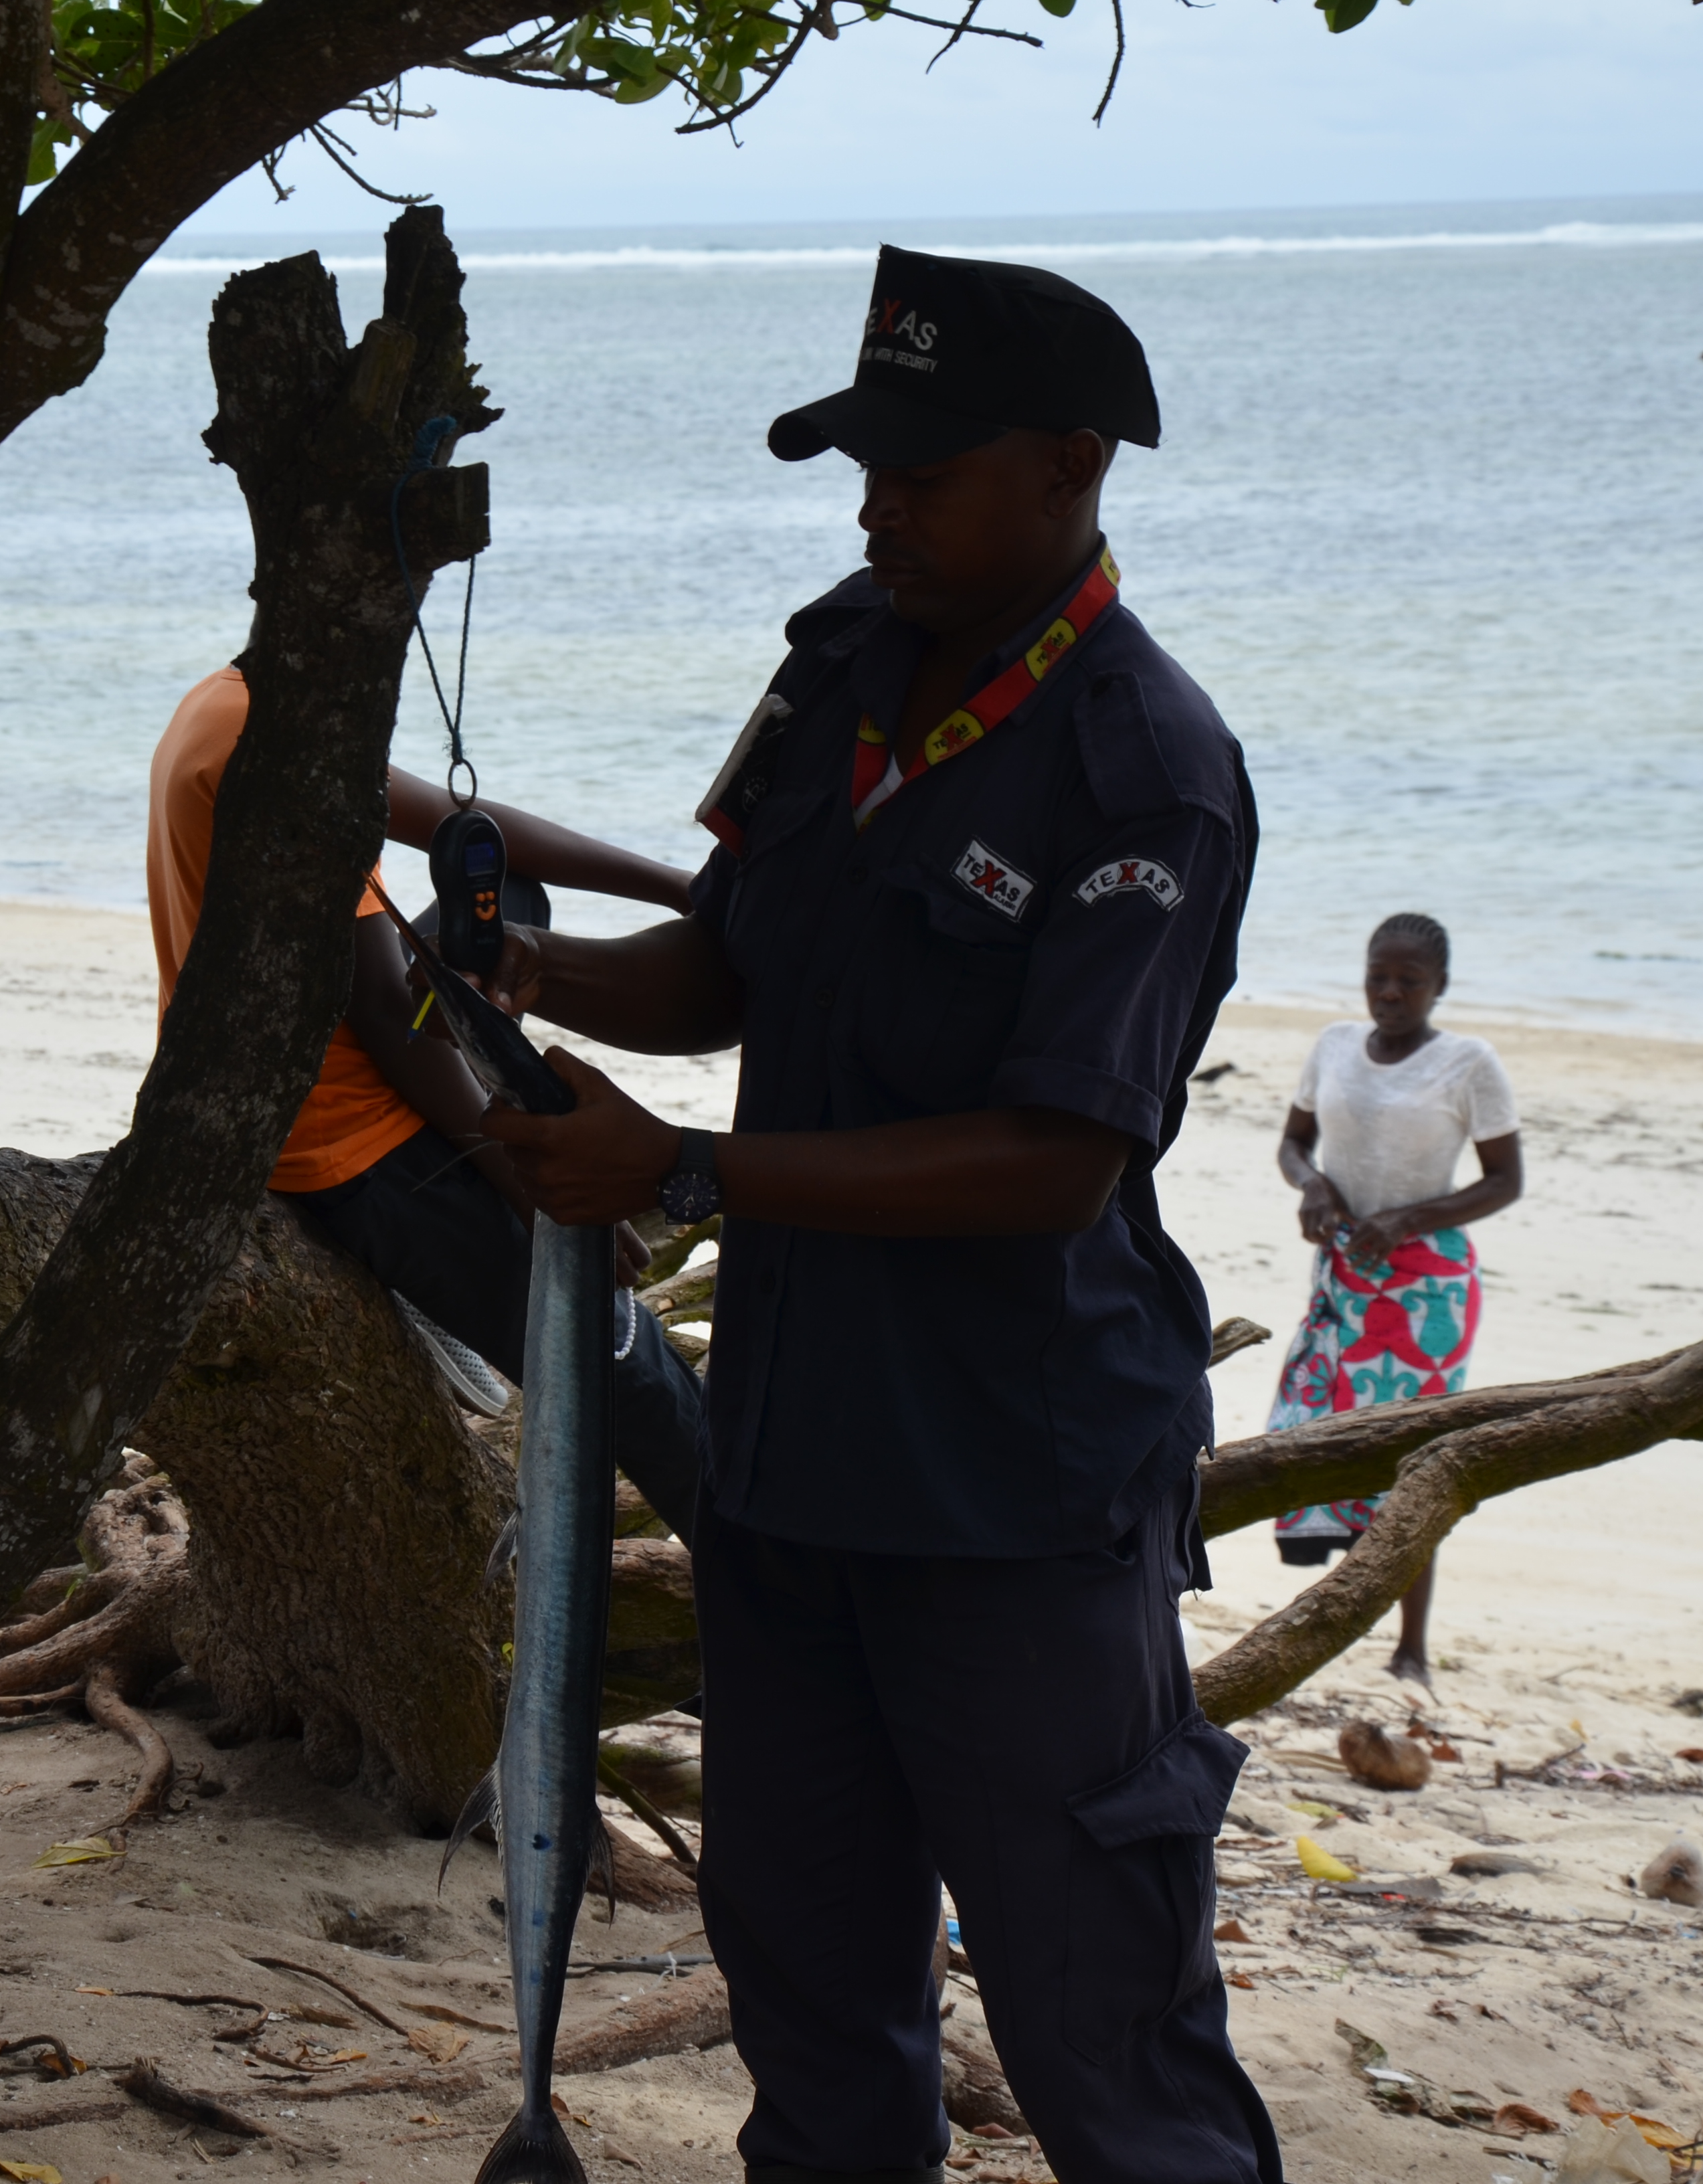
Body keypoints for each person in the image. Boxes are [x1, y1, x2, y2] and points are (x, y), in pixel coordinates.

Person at [472, 248, 1281, 2183]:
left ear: (1077, 464)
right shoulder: (843, 658)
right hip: (793, 1473)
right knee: (817, 2020)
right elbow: (734, 964)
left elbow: (1050, 1160)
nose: (878, 502)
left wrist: (679, 1173)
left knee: (1110, 2042)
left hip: (1015, 1499)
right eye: (865, 461)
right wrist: (523, 967)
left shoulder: (1146, 771)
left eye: (926, 466)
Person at [145, 666, 709, 1536]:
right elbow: (382, 1011)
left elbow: (470, 829)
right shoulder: (289, 762)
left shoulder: (238, 697)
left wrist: (684, 889)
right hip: (349, 1144)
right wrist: (524, 1173)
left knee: (503, 895)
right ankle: (763, 1605)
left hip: (269, 1094)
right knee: (624, 1372)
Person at [1266, 913, 1524, 1686]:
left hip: (1425, 1296)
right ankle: (1332, 1623)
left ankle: (1410, 1649)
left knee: (1411, 1464)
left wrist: (1408, 1219)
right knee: (1323, 1440)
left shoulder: (1467, 1063)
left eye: (1408, 981)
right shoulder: (1334, 1045)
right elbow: (1291, 1143)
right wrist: (1312, 1186)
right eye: (1377, 976)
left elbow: (1504, 1180)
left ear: (1438, 986)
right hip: (1343, 1276)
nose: (1388, 993)